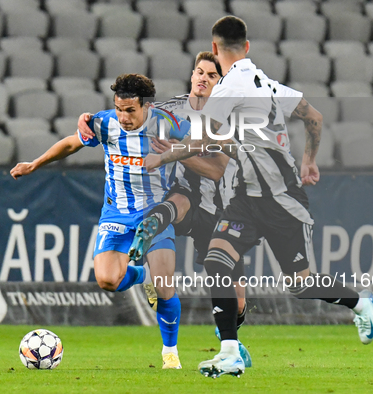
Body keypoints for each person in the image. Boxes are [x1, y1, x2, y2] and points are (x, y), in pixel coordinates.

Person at [145, 16, 373, 378]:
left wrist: (163, 155)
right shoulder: (267, 83)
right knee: (217, 258)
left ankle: (360, 302)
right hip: (247, 197)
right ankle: (229, 352)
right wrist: (309, 162)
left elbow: (199, 140)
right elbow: (313, 117)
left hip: (282, 199)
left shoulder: (228, 88)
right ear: (247, 47)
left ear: (216, 47)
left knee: (300, 284)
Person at [78, 52, 251, 368]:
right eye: (198, 71)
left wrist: (175, 154)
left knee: (237, 300)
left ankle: (232, 338)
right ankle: (212, 346)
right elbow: (125, 115)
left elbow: (215, 171)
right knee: (171, 207)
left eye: (211, 76)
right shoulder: (171, 110)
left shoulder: (224, 121)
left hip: (215, 208)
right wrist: (87, 119)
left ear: (221, 84)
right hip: (176, 200)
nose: (201, 78)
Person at [11, 73, 192, 369]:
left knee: (165, 285)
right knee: (108, 280)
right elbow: (72, 144)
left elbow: (203, 144)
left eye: (130, 111)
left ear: (146, 106)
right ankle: (140, 275)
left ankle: (170, 352)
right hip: (117, 212)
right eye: (119, 109)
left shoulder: (166, 123)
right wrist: (36, 164)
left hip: (156, 213)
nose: (123, 117)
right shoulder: (104, 123)